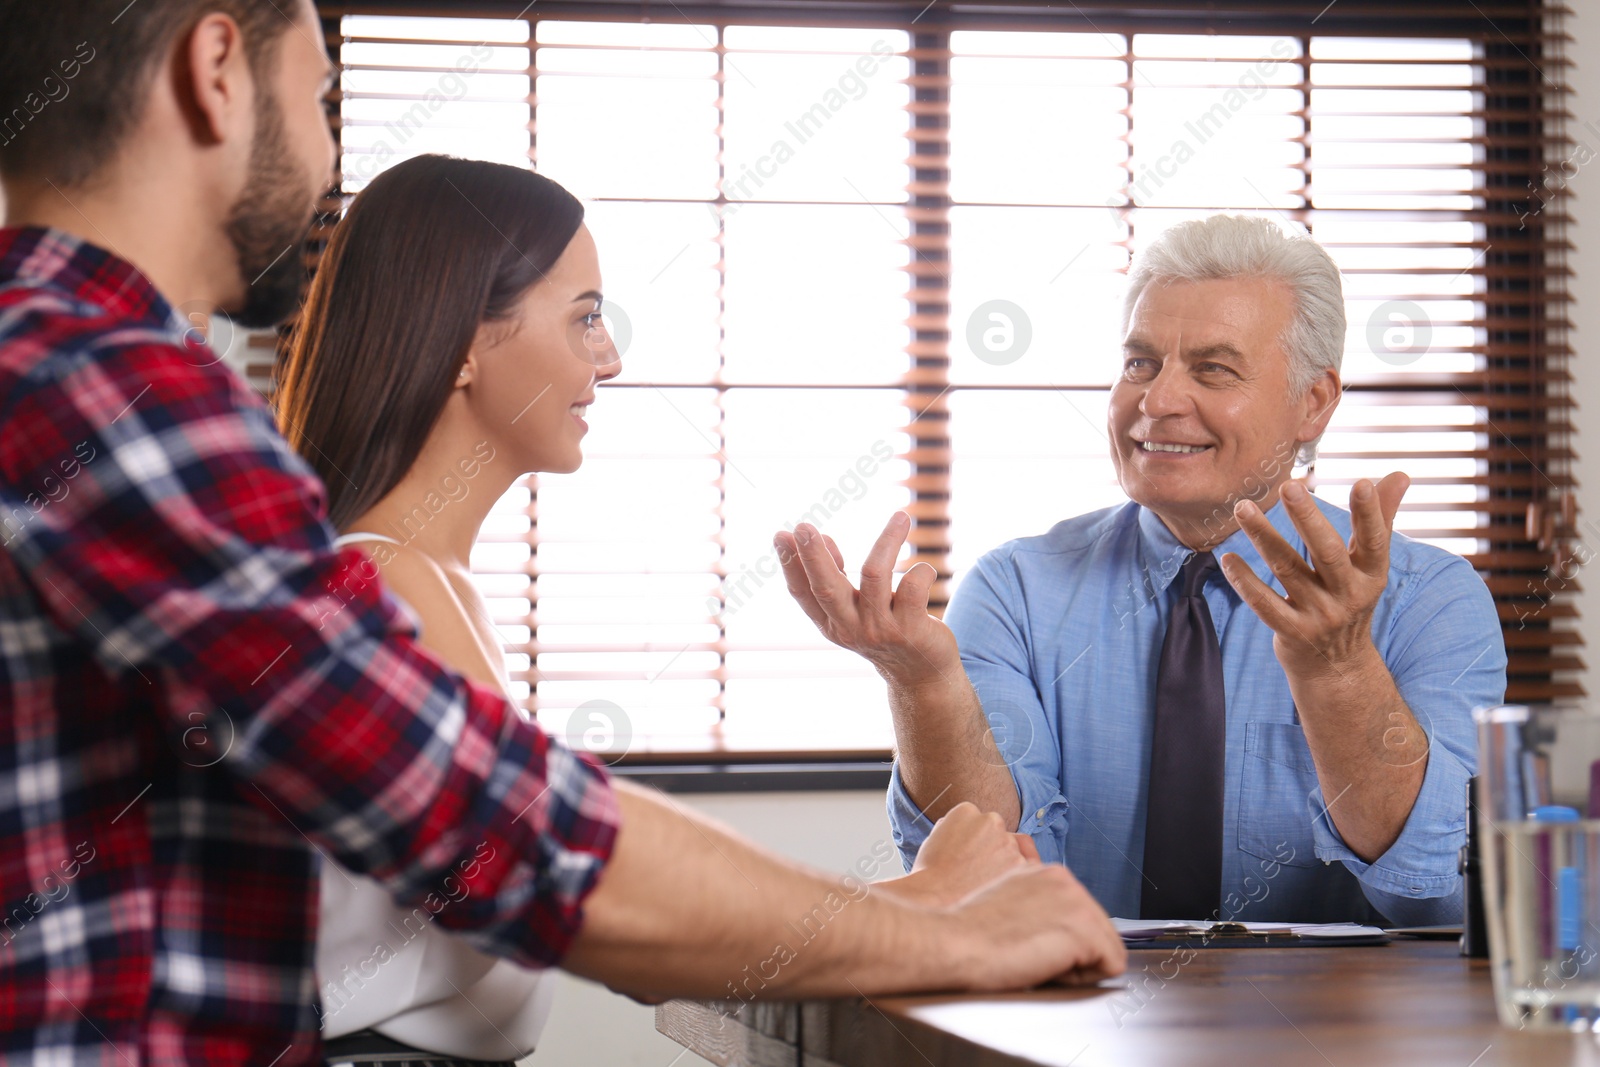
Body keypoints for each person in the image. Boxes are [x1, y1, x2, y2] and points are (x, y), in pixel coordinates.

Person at [0, 2, 1125, 1063]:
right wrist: (941, 924)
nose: (330, 157)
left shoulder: (90, 379)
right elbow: (508, 832)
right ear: (216, 75)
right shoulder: (101, 389)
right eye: (322, 95)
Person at [275, 153, 1103, 1064]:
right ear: (466, 341)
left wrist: (921, 902)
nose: (611, 357)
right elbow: (598, 900)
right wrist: (934, 902)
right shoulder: (387, 585)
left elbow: (610, 913)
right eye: (585, 316)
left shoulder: (427, 580)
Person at [776, 213, 1507, 927]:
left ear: (1311, 402)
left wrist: (1340, 670)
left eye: (1213, 370)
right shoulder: (1015, 592)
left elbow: (1436, 897)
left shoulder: (1432, 601)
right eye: (1140, 364)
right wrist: (922, 684)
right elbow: (995, 885)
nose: (1156, 402)